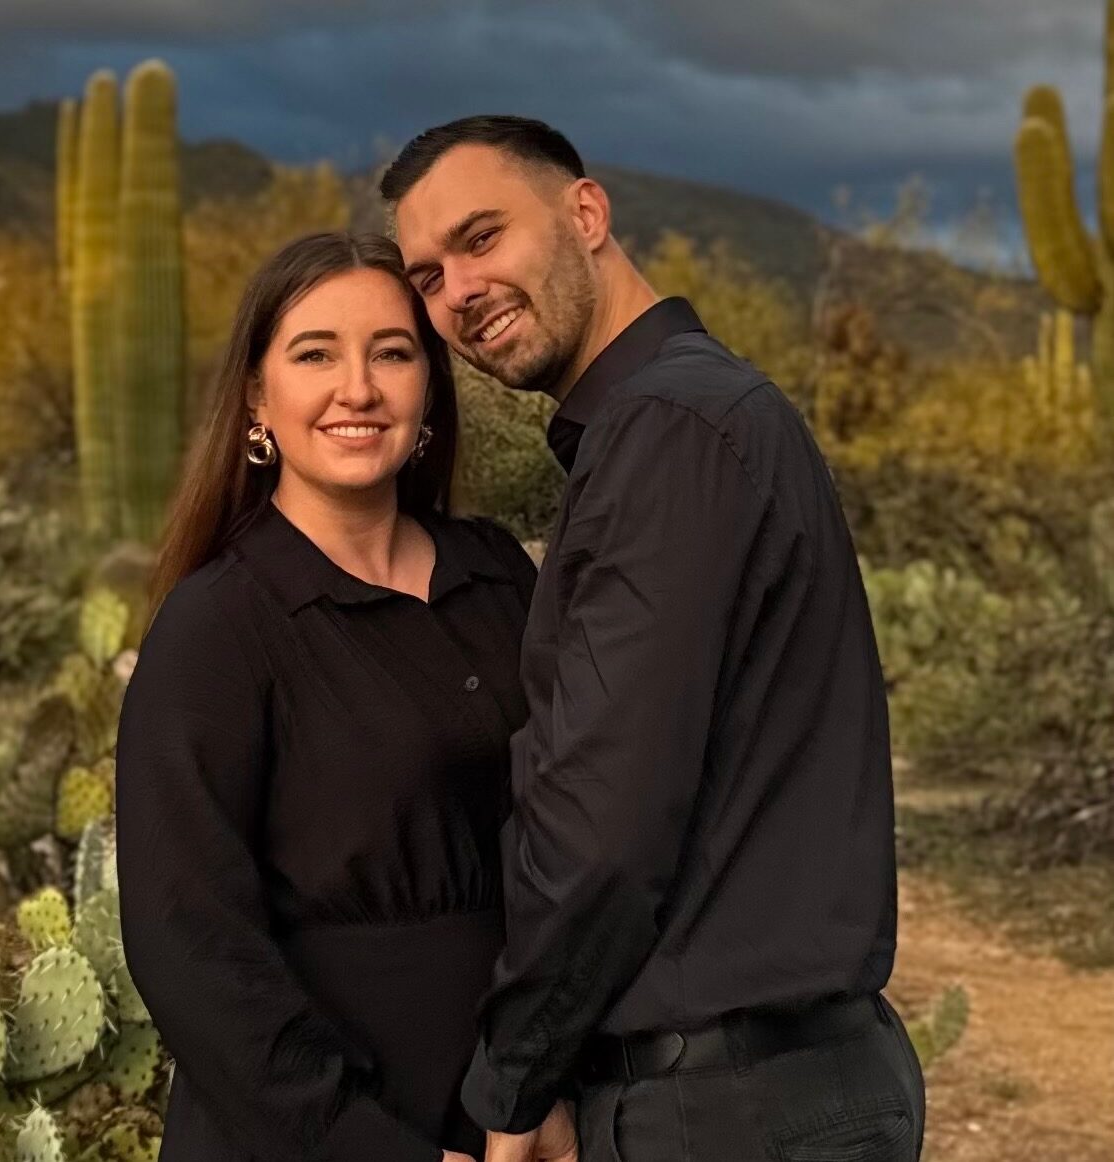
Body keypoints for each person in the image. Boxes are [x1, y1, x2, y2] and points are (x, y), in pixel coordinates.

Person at [381, 116, 926, 1162]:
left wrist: (510, 1084)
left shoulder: (666, 429)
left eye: (482, 238)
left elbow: (606, 814)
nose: (460, 291)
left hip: (727, 1106)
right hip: (771, 1089)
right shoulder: (693, 411)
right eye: (429, 276)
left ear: (586, 213)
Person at [114, 231, 539, 1161]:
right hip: (311, 1131)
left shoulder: (501, 577)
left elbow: (581, 842)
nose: (359, 389)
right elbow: (186, 942)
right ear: (257, 397)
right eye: (315, 355)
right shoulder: (218, 624)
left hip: (517, 1111)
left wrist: (545, 1082)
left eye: (392, 353)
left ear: (428, 386)